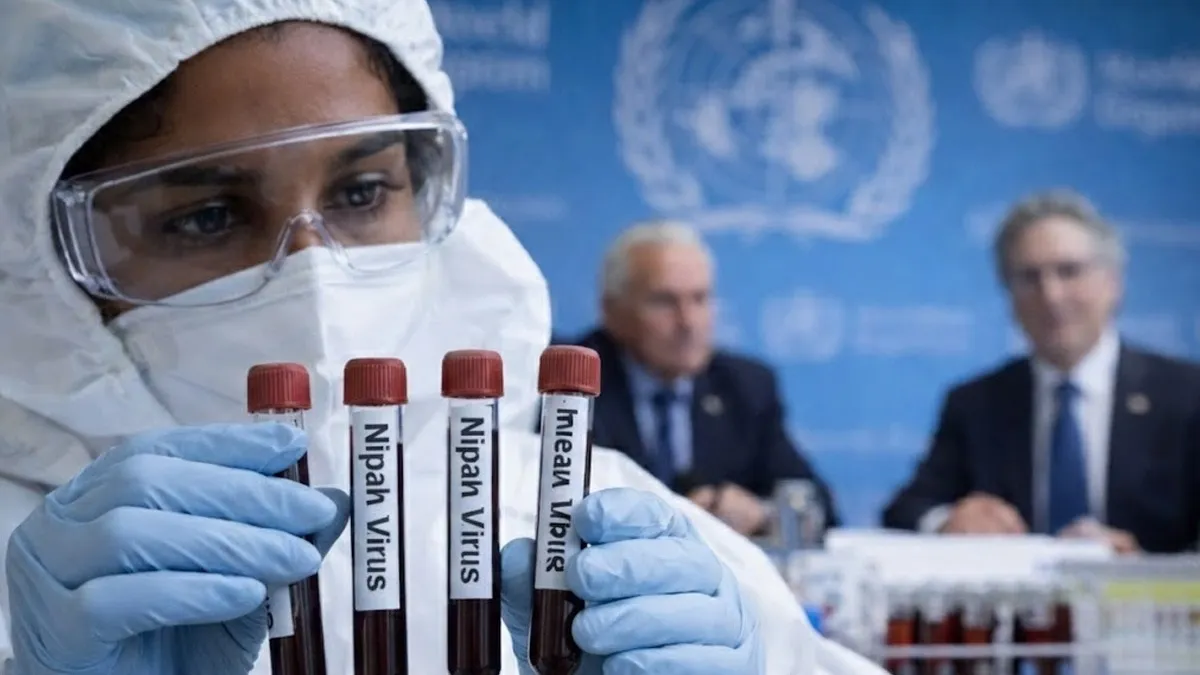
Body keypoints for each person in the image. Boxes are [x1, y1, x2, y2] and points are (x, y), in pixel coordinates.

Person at [0, 1, 887, 674]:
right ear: (46, 258)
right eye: (206, 215)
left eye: (361, 192)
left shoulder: (589, 522)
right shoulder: (30, 584)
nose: (314, 280)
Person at [881, 190, 1200, 554]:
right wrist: (949, 521)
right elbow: (906, 511)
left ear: (1112, 282)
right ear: (1009, 295)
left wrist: (1144, 568)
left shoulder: (1186, 395)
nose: (1051, 295)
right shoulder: (977, 403)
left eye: (1069, 272)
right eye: (1029, 278)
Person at [571, 220, 839, 537]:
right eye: (664, 301)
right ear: (612, 311)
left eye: (700, 299)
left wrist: (763, 514)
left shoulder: (745, 386)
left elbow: (818, 507)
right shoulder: (573, 383)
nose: (688, 322)